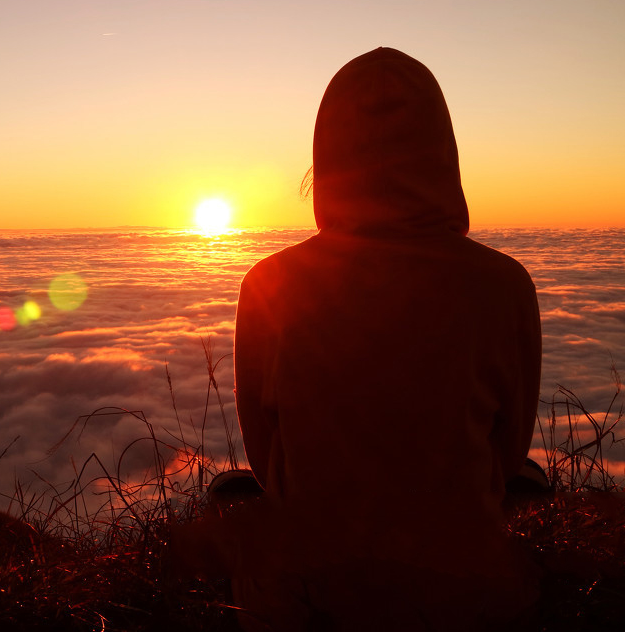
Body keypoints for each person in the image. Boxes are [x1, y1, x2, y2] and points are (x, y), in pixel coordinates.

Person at [227, 48, 542, 631]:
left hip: (304, 602)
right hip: (467, 603)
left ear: (327, 157)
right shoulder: (504, 286)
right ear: (443, 153)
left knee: (232, 493)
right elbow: (505, 456)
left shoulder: (268, 286)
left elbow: (268, 462)